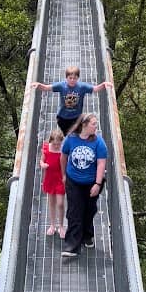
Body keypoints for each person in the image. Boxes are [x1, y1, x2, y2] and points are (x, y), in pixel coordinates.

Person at [60, 112, 108, 260]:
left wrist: (97, 184)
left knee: (89, 211)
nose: (96, 126)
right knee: (75, 212)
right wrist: (64, 175)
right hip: (73, 181)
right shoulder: (71, 139)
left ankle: (87, 234)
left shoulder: (99, 142)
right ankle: (72, 246)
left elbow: (101, 164)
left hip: (92, 182)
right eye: (94, 124)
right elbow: (63, 157)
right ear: (84, 125)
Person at [34, 65, 111, 136]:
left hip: (76, 118)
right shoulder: (61, 86)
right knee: (68, 135)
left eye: (74, 78)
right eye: (70, 78)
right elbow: (47, 88)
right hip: (62, 117)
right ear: (66, 77)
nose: (72, 80)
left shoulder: (82, 87)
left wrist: (103, 85)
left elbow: (95, 89)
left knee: (76, 135)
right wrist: (38, 85)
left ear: (78, 78)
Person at [40, 127, 66, 239]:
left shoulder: (63, 150)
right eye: (55, 144)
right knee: (51, 202)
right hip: (50, 178)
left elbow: (66, 164)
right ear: (51, 141)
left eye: (58, 144)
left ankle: (61, 226)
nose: (56, 146)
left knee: (60, 203)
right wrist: (42, 165)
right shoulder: (46, 148)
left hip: (60, 178)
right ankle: (52, 225)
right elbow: (42, 160)